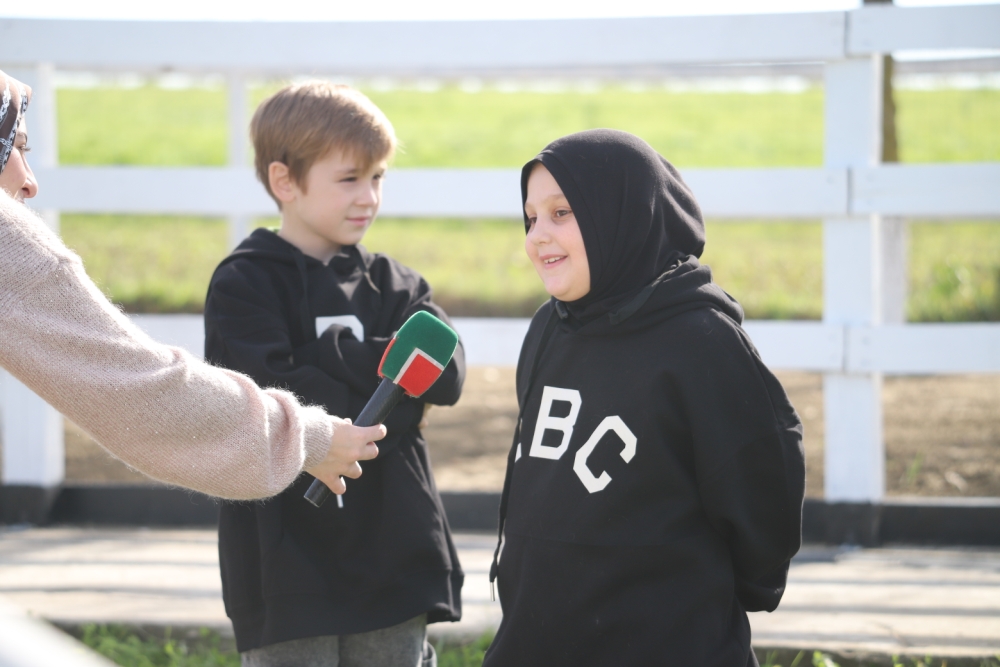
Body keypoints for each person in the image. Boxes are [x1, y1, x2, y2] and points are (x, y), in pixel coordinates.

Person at [483, 129, 806, 666]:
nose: (538, 235)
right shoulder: (548, 328)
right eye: (531, 218)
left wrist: (748, 586)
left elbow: (761, 478)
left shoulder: (702, 341)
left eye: (561, 213)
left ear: (623, 213)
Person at [0, 69, 384, 501]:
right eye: (16, 146)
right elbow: (143, 395)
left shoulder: (389, 278)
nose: (30, 181)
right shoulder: (244, 281)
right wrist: (310, 437)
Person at [204, 81, 465, 667]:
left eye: (378, 177)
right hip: (286, 558)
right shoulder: (244, 284)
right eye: (349, 178)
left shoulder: (398, 286)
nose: (368, 196)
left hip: (394, 549)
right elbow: (270, 400)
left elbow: (446, 375)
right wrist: (389, 380)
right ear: (285, 181)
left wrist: (328, 352)